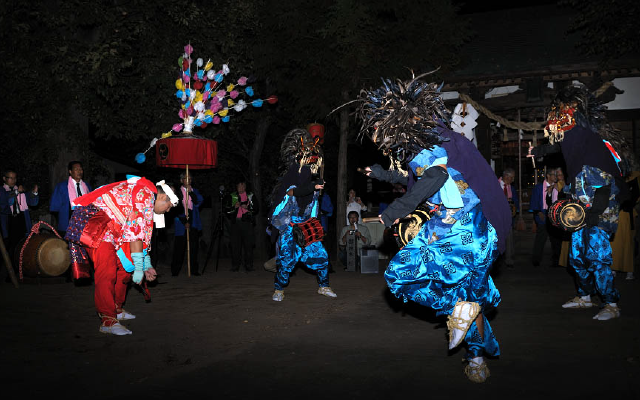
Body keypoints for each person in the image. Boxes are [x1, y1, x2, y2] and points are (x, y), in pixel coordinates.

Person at [356, 75, 511, 383]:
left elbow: (434, 178)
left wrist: (391, 215)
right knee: (471, 299)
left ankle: (463, 324)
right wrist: (383, 174)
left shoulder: (428, 141)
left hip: (457, 229)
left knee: (400, 276)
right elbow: (417, 178)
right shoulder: (436, 137)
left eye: (380, 126)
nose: (378, 136)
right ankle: (475, 355)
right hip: (478, 232)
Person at [529, 83, 627, 320]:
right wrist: (540, 152)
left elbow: (604, 189)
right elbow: (560, 145)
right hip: (580, 216)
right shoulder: (576, 159)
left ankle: (611, 303)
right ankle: (585, 297)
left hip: (599, 216)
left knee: (598, 258)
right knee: (577, 256)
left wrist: (595, 216)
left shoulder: (594, 155)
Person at [64, 176, 177, 335]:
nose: (168, 210)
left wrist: (146, 265)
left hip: (112, 228)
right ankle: (107, 320)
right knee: (107, 269)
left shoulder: (147, 199)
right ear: (163, 197)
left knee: (124, 268)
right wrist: (139, 266)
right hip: (96, 221)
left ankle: (115, 308)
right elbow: (136, 236)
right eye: (169, 206)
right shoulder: (145, 194)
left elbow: (142, 237)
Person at [269, 128, 337, 302]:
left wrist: (316, 224)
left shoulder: (312, 183)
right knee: (285, 261)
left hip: (307, 227)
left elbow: (313, 208)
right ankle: (278, 290)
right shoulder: (292, 177)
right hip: (290, 228)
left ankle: (324, 286)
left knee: (322, 257)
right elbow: (294, 192)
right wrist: (312, 187)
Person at [1, 169, 39, 262]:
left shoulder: (19, 190)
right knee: (9, 247)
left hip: (21, 220)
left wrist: (34, 193)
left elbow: (32, 203)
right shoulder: (2, 190)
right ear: (4, 179)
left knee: (21, 246)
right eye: (11, 178)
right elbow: (5, 201)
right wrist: (17, 192)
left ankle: (19, 269)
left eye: (15, 178)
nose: (13, 180)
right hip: (8, 222)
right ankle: (9, 272)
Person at [171, 173, 204, 276]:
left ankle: (194, 270)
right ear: (181, 180)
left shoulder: (195, 191)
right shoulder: (177, 193)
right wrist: (184, 222)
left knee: (193, 248)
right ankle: (175, 270)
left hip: (193, 222)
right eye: (186, 178)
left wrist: (191, 193)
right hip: (181, 222)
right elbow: (175, 208)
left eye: (190, 178)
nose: (188, 180)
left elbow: (198, 202)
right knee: (179, 248)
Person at [50, 161, 92, 237]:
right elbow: (54, 207)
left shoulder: (87, 187)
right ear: (70, 172)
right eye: (76, 169)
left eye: (81, 169)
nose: (79, 171)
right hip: (68, 224)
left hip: (85, 225)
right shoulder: (62, 186)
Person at [529, 169, 561, 267]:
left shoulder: (558, 187)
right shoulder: (539, 187)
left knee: (555, 239)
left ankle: (556, 260)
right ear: (548, 175)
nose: (555, 177)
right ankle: (536, 259)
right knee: (541, 238)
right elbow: (534, 201)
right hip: (542, 214)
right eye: (553, 175)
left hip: (554, 215)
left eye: (556, 175)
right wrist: (538, 212)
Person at [226, 180, 258, 272]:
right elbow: (227, 210)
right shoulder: (232, 196)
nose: (241, 188)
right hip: (235, 223)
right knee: (235, 245)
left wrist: (247, 208)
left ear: (245, 187)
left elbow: (256, 209)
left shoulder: (250, 195)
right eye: (239, 186)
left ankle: (249, 265)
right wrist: (234, 207)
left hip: (247, 223)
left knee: (248, 245)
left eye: (243, 186)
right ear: (236, 187)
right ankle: (235, 265)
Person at [498, 167, 518, 268]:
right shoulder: (495, 185)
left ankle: (509, 259)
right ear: (506, 176)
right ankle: (497, 259)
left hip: (508, 217)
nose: (513, 180)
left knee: (509, 237)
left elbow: (515, 201)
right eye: (512, 177)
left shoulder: (511, 188)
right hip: (497, 216)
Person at [319, 191, 335, 272]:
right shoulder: (308, 193)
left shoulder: (324, 196)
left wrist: (322, 211)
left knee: (324, 246)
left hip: (322, 226)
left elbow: (330, 211)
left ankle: (327, 266)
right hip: (309, 225)